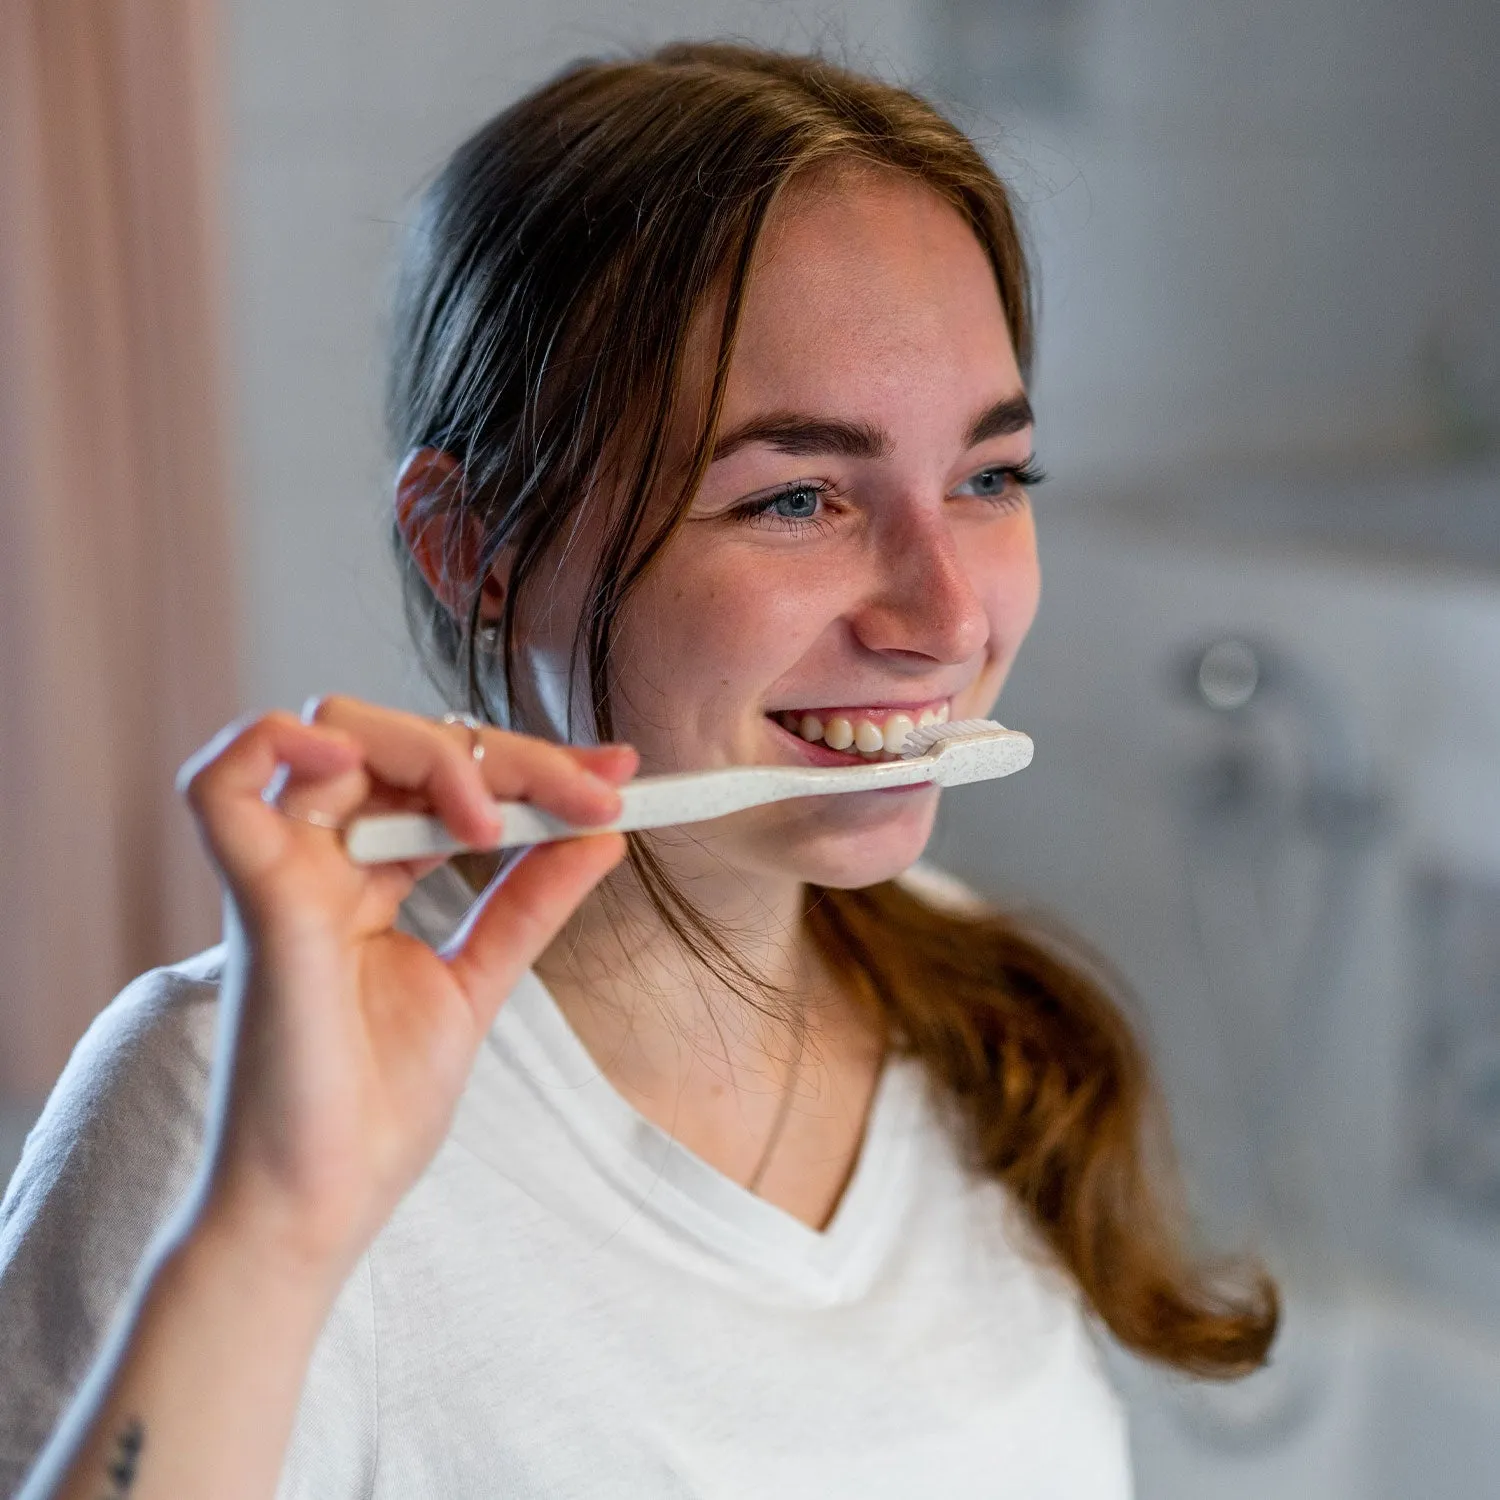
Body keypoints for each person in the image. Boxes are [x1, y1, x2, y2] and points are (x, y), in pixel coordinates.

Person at [1, 43, 1276, 1500]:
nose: (948, 616)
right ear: (471, 545)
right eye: (796, 497)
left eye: (990, 478)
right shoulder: (212, 1103)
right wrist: (277, 1224)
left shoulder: (981, 1015)